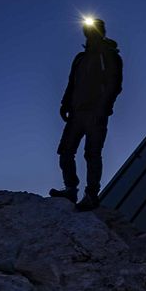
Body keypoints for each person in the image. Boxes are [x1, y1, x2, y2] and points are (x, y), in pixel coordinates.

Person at [49, 17, 123, 211]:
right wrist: (65, 104)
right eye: (87, 30)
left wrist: (103, 108)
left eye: (93, 29)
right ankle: (71, 189)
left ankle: (91, 195)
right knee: (65, 151)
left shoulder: (109, 55)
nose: (89, 33)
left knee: (92, 153)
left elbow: (114, 85)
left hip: (96, 113)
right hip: (76, 113)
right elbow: (71, 83)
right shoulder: (80, 58)